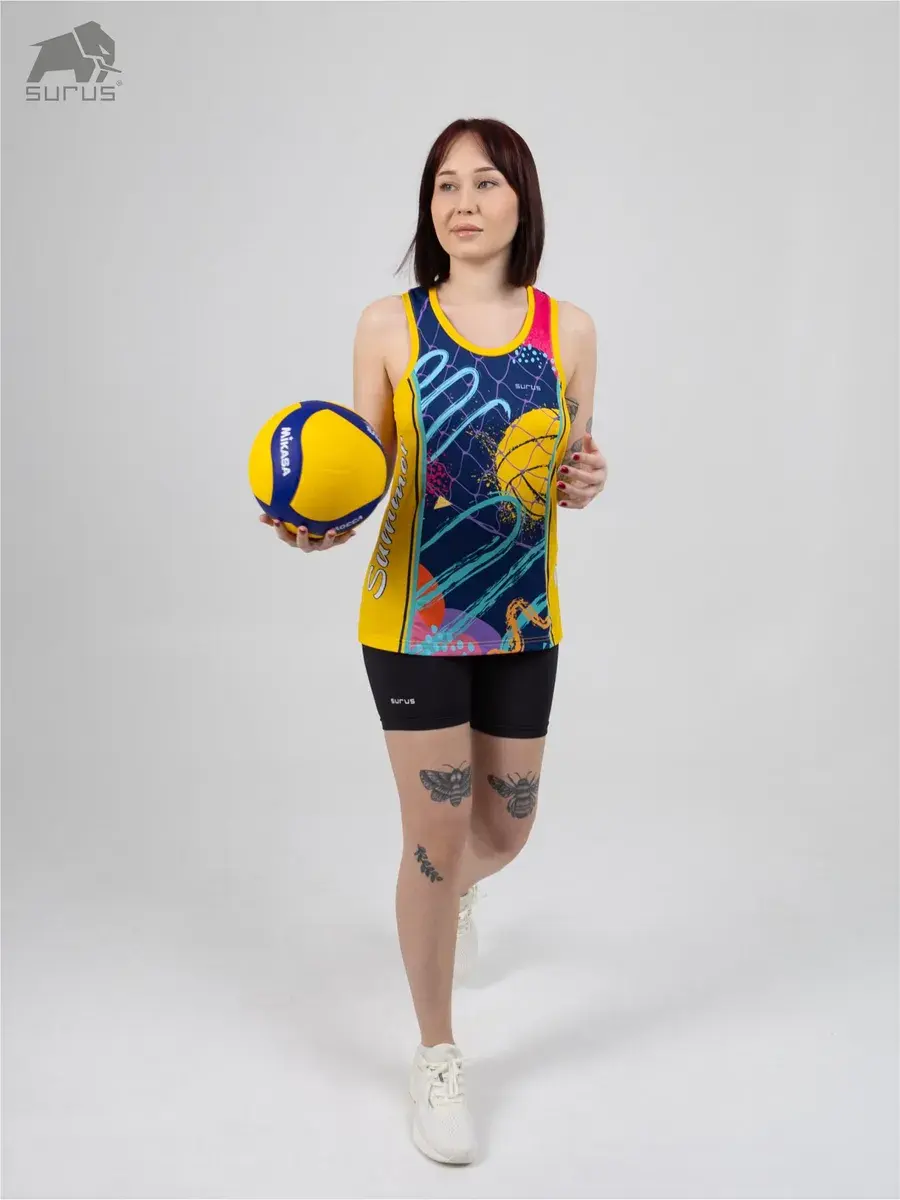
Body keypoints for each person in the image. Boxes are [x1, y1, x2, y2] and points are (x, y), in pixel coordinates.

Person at [260, 117, 607, 1165]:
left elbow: (568, 461)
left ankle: (446, 897)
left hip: (523, 617)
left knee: (506, 831)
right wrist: (319, 522)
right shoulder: (388, 326)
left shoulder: (570, 329)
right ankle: (437, 1053)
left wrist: (586, 478)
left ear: (521, 200)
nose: (462, 202)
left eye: (485, 183)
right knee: (435, 833)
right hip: (410, 618)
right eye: (445, 184)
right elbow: (364, 470)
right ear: (429, 208)